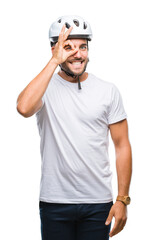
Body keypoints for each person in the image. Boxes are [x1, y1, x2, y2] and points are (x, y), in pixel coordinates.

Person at [16, 15, 132, 240]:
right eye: (68, 47)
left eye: (82, 47)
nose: (77, 54)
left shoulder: (107, 91)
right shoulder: (45, 88)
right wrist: (53, 63)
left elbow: (122, 146)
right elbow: (23, 108)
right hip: (55, 202)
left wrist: (122, 199)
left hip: (98, 203)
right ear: (55, 50)